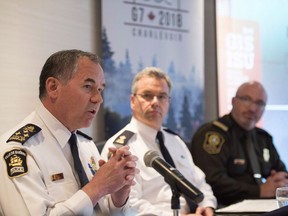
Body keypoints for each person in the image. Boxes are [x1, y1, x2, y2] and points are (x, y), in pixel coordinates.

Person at [0, 49, 139, 216]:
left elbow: (99, 209)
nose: (98, 99)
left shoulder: (86, 145)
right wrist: (97, 187)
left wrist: (118, 197)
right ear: (53, 87)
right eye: (88, 87)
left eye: (100, 89)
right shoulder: (18, 150)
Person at [101, 67, 217, 216]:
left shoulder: (175, 141)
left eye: (162, 96)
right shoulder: (121, 147)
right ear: (132, 101)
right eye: (147, 95)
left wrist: (207, 205)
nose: (155, 102)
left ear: (168, 102)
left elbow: (199, 182)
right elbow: (127, 206)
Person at [190, 81, 288, 207]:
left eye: (259, 103)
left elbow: (281, 171)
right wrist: (259, 191)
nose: (252, 109)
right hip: (226, 208)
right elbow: (212, 180)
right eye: (246, 100)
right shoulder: (212, 135)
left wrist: (280, 182)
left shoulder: (263, 138)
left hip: (262, 206)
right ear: (233, 101)